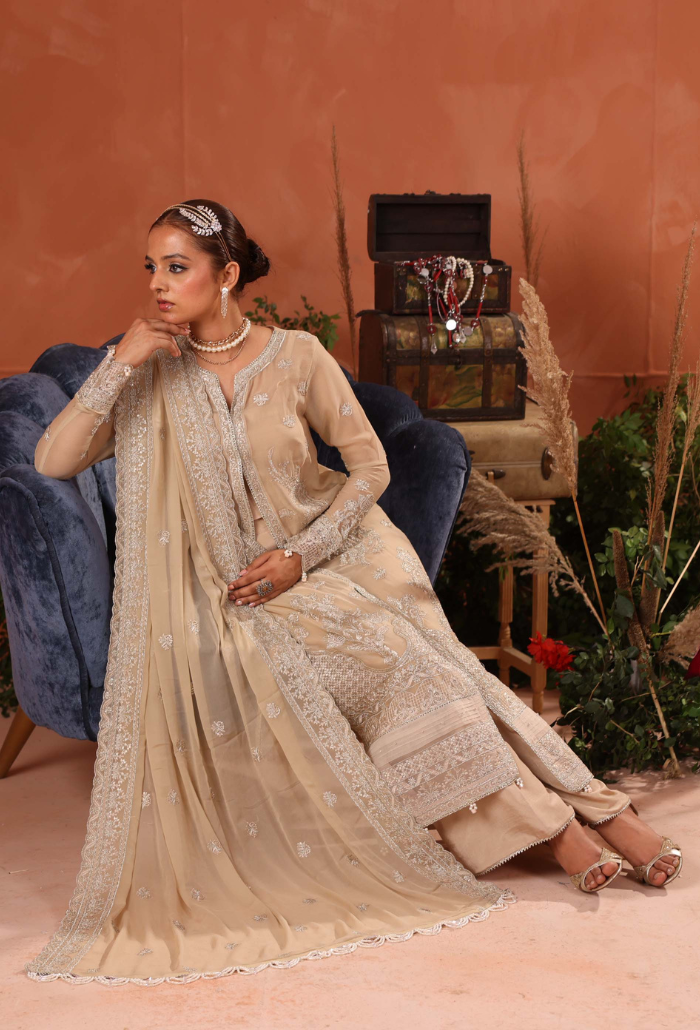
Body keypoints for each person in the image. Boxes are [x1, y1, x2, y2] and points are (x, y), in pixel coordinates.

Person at [26, 200, 682, 987]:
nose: (158, 285)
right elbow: (52, 461)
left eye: (177, 267)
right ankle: (570, 826)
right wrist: (121, 361)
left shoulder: (296, 356)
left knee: (429, 661)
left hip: (329, 561)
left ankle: (599, 812)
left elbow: (370, 468)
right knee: (399, 665)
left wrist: (299, 558)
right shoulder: (147, 376)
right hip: (226, 598)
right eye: (151, 268)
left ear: (226, 275)